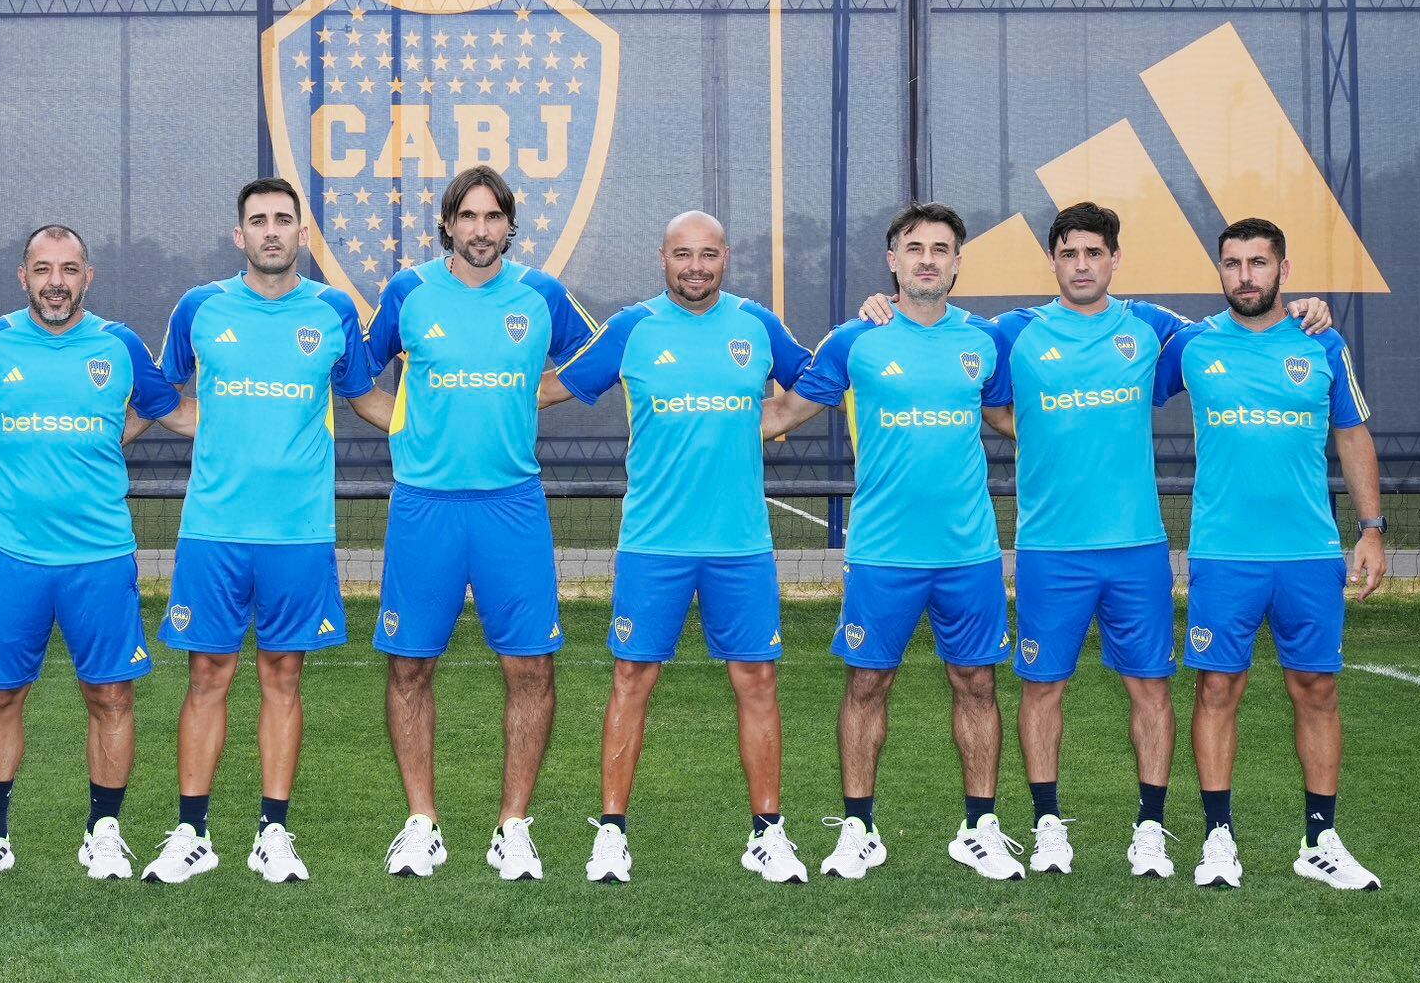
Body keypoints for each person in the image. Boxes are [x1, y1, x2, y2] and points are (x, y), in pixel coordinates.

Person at [853, 201, 1330, 877]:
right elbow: (960, 367)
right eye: (1069, 253)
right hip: (1050, 546)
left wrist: (1304, 308)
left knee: (1151, 689)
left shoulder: (1157, 330)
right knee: (1043, 688)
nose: (1082, 265)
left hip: (1136, 546)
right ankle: (1048, 824)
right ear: (1053, 260)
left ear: (1114, 260)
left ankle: (1152, 829)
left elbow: (1242, 329)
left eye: (1094, 254)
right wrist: (884, 304)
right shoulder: (1012, 333)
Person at [542, 211, 813, 884]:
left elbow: (820, 379)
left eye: (710, 254)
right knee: (632, 679)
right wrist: (475, 387)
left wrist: (777, 415)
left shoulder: (758, 325)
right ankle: (611, 834)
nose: (697, 266)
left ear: (727, 259)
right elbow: (560, 386)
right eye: (683, 254)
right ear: (662, 258)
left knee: (757, 682)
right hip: (653, 544)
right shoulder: (633, 328)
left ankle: (768, 833)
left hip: (741, 544)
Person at [762, 201, 1025, 881]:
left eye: (941, 248)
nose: (928, 259)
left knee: (976, 683)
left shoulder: (986, 340)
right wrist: (699, 415)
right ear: (893, 260)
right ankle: (859, 829)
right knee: (868, 683)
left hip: (968, 551)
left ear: (959, 261)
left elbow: (1010, 417)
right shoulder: (857, 339)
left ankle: (981, 827)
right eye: (915, 247)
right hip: (882, 552)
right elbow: (786, 410)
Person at [141, 179, 391, 885]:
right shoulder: (200, 308)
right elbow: (166, 396)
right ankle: (192, 832)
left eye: (284, 220)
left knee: (284, 679)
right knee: (207, 677)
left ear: (302, 234)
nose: (272, 231)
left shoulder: (335, 311)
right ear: (239, 235)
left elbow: (366, 397)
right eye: (259, 220)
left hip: (300, 534)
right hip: (213, 530)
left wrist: (438, 425)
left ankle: (273, 834)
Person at [0, 224, 195, 884]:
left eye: (70, 268)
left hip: (101, 556)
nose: (57, 280)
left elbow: (166, 409)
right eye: (43, 268)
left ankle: (103, 832)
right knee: (0, 698)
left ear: (89, 277)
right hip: (13, 555)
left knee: (111, 697)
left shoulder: (120, 345)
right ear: (22, 276)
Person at [367, 165, 600, 881]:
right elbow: (357, 379)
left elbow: (592, 363)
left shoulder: (542, 295)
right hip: (424, 506)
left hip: (512, 505)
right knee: (410, 667)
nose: (479, 229)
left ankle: (513, 826)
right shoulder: (408, 293)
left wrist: (526, 402)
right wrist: (407, 429)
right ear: (447, 226)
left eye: (492, 216)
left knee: (530, 667)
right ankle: (421, 823)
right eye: (466, 217)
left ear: (510, 225)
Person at [1155, 217, 1386, 890]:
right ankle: (1218, 838)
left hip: (1309, 554)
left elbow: (1352, 435)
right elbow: (1119, 362)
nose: (1245, 275)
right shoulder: (1192, 346)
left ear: (1283, 270)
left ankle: (1320, 841)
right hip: (1225, 554)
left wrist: (1371, 528)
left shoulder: (1322, 342)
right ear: (1220, 271)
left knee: (1316, 688)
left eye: (1259, 262)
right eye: (1232, 263)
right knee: (1218, 688)